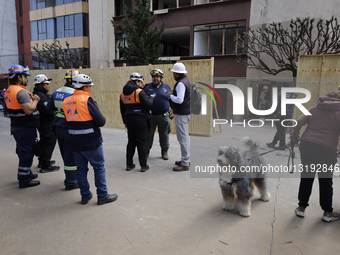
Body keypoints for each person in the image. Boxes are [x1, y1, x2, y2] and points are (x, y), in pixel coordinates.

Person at [63, 74, 118, 205]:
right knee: (99, 168)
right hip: (91, 142)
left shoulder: (66, 101)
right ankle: (102, 196)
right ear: (85, 87)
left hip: (75, 143)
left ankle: (85, 196)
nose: (91, 89)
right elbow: (101, 121)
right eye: (90, 87)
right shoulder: (87, 100)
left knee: (81, 170)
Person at [291, 90, 340, 222]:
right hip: (327, 149)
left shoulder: (314, 108)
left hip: (308, 145)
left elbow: (298, 122)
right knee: (325, 180)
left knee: (307, 176)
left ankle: (301, 208)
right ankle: (327, 213)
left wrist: (295, 138)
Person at [5, 65, 40, 188]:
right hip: (25, 128)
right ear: (19, 77)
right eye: (25, 76)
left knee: (22, 150)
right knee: (26, 153)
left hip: (17, 127)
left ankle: (26, 173)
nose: (27, 79)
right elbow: (29, 111)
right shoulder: (21, 92)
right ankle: (24, 180)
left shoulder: (9, 90)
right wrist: (35, 100)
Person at [46, 68, 79, 190]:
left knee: (65, 153)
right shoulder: (74, 94)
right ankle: (71, 182)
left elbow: (49, 108)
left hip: (58, 128)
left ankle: (71, 178)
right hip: (69, 127)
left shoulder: (57, 92)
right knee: (72, 155)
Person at [120, 72, 155, 172]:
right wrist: (151, 98)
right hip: (140, 120)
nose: (142, 84)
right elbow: (148, 104)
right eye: (141, 82)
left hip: (129, 120)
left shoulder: (123, 93)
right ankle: (143, 166)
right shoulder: (139, 92)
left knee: (131, 142)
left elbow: (122, 109)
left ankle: (129, 165)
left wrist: (125, 122)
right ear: (137, 81)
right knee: (141, 142)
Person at [33, 74, 60, 173]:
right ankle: (46, 165)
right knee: (50, 141)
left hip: (43, 123)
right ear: (41, 85)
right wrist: (56, 111)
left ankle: (42, 161)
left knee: (44, 142)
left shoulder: (39, 94)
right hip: (46, 124)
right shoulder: (41, 96)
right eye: (47, 84)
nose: (48, 86)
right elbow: (47, 111)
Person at [144, 69, 173, 160]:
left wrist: (174, 112)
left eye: (157, 77)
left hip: (164, 116)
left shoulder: (167, 87)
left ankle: (164, 151)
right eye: (154, 77)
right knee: (148, 135)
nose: (155, 78)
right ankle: (146, 151)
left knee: (164, 135)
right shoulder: (147, 87)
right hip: (150, 116)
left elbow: (172, 100)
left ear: (161, 77)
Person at [167, 62, 191, 172]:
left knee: (183, 139)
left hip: (182, 114)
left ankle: (185, 163)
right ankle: (185, 159)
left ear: (177, 73)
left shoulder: (181, 83)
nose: (173, 74)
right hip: (185, 113)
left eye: (173, 72)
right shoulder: (186, 81)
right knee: (185, 138)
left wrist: (170, 95)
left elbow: (179, 100)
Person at [266, 81, 297, 150]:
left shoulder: (280, 94)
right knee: (281, 129)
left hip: (281, 113)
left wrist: (275, 114)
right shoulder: (294, 94)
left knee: (281, 128)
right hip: (289, 114)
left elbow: (276, 104)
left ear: (282, 86)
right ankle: (273, 143)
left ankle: (282, 145)